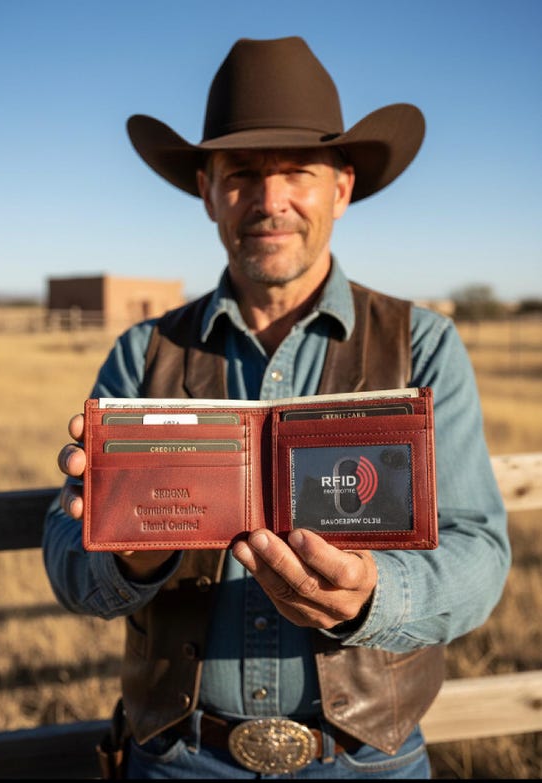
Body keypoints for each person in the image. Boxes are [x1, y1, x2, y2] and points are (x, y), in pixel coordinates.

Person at [42, 36, 511, 780]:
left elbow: (479, 551)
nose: (270, 201)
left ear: (343, 187)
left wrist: (373, 597)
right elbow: (65, 557)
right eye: (242, 174)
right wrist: (128, 551)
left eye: (298, 171)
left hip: (366, 761)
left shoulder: (423, 345)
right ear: (207, 190)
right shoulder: (143, 353)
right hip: (177, 755)